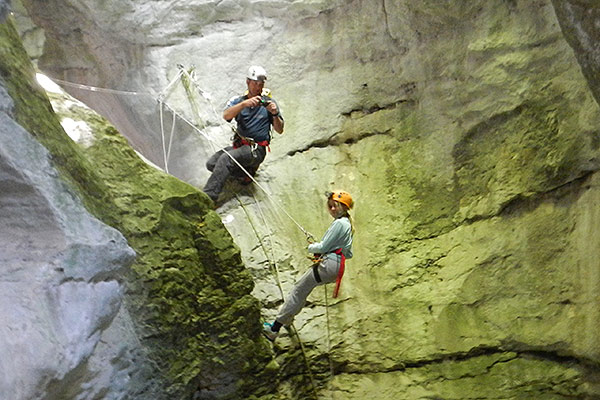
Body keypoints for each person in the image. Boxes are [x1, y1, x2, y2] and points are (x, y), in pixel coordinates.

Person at [263, 190, 355, 342]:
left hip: (329, 265)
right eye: (330, 206)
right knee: (302, 290)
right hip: (336, 267)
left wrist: (313, 248)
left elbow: (324, 246)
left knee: (298, 290)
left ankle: (274, 329)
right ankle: (288, 318)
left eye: (335, 206)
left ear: (344, 207)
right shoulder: (347, 224)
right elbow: (347, 253)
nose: (332, 209)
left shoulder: (339, 224)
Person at [203, 65, 284, 204]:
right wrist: (243, 105)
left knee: (226, 159)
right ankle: (245, 174)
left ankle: (208, 198)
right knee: (211, 164)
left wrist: (275, 114)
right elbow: (226, 116)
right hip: (239, 145)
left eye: (261, 84)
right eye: (255, 83)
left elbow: (280, 129)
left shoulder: (269, 103)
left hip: (256, 149)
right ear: (248, 82)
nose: (258, 87)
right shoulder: (239, 102)